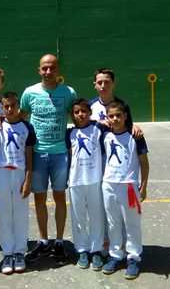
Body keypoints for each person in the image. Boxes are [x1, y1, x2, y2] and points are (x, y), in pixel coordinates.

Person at [20, 54, 77, 265]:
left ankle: (60, 242)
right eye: (44, 68)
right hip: (37, 154)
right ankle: (44, 240)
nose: (48, 72)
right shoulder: (29, 92)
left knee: (60, 196)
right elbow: (20, 116)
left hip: (60, 153)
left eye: (52, 68)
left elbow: (79, 116)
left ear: (58, 69)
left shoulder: (68, 92)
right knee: (40, 199)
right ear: (39, 69)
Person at [100, 100, 149, 280]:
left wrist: (143, 186)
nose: (114, 119)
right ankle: (115, 255)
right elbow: (85, 122)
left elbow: (144, 162)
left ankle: (134, 257)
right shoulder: (104, 135)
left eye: (118, 116)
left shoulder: (135, 136)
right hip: (109, 185)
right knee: (113, 223)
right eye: (111, 116)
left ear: (125, 116)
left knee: (132, 224)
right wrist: (100, 122)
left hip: (129, 186)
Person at [0, 92, 36, 274]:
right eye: (6, 106)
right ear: (2, 107)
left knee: (21, 214)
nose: (9, 110)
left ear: (19, 108)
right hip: (1, 173)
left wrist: (27, 180)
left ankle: (19, 252)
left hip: (19, 174)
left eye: (13, 106)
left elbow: (29, 156)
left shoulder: (26, 127)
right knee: (4, 214)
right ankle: (7, 253)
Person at [65, 99, 106, 271]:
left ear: (90, 113)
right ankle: (82, 249)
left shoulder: (98, 129)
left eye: (84, 111)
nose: (80, 115)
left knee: (96, 216)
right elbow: (68, 156)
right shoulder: (69, 133)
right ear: (72, 115)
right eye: (76, 112)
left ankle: (96, 249)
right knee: (78, 217)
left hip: (95, 180)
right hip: (75, 181)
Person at [90, 68, 142, 137]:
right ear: (95, 85)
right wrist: (98, 122)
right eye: (99, 82)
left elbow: (128, 126)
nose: (103, 86)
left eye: (107, 82)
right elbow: (83, 126)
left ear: (113, 84)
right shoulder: (89, 106)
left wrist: (134, 127)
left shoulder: (123, 105)